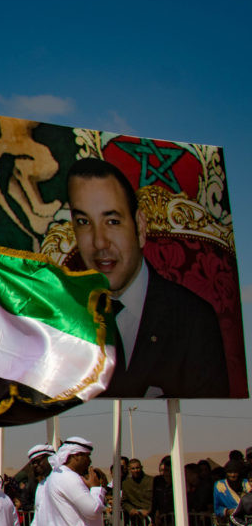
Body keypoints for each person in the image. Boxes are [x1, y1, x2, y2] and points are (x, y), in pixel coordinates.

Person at [65, 157, 227, 398]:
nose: (99, 242)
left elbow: (210, 414)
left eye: (112, 221)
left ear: (140, 227)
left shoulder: (194, 320)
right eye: (83, 222)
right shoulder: (67, 320)